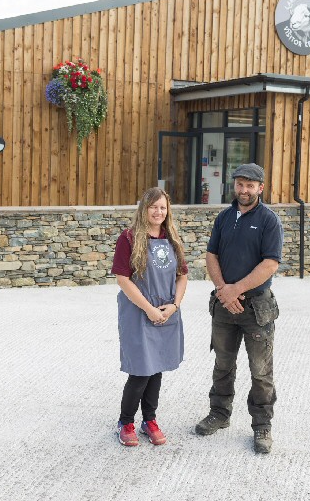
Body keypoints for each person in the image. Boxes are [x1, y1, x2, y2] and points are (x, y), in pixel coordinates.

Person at [195, 163, 283, 454]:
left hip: (256, 308)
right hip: (224, 305)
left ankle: (261, 426)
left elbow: (270, 264)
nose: (244, 190)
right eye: (240, 184)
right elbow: (211, 254)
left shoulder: (269, 221)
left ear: (260, 188)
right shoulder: (224, 217)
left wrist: (236, 289)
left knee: (260, 370)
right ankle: (219, 414)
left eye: (250, 185)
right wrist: (224, 290)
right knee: (222, 364)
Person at [111, 187, 188, 447]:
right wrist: (149, 308)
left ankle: (149, 420)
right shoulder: (129, 239)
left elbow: (182, 276)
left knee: (157, 369)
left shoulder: (172, 239)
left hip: (166, 312)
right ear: (143, 209)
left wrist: (174, 306)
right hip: (138, 311)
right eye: (153, 207)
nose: (158, 212)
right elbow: (123, 279)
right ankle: (125, 422)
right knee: (141, 370)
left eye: (163, 207)